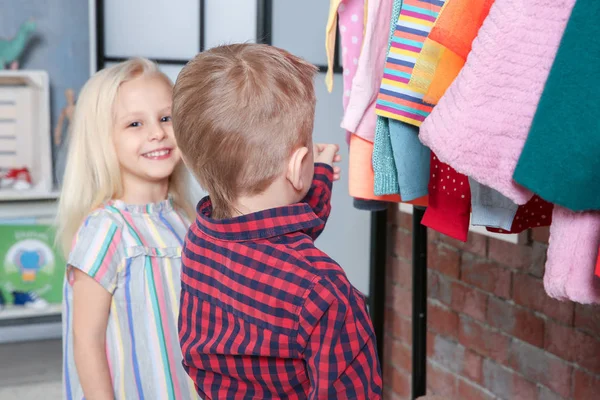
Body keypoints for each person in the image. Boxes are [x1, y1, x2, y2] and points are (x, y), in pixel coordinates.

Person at [173, 43, 383, 399]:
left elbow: (284, 231)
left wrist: (314, 177)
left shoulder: (200, 239)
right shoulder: (325, 291)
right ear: (298, 165)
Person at [56, 58, 197, 400]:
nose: (157, 133)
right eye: (135, 123)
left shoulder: (185, 221)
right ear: (102, 140)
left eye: (166, 118)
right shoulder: (106, 230)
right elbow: (86, 341)